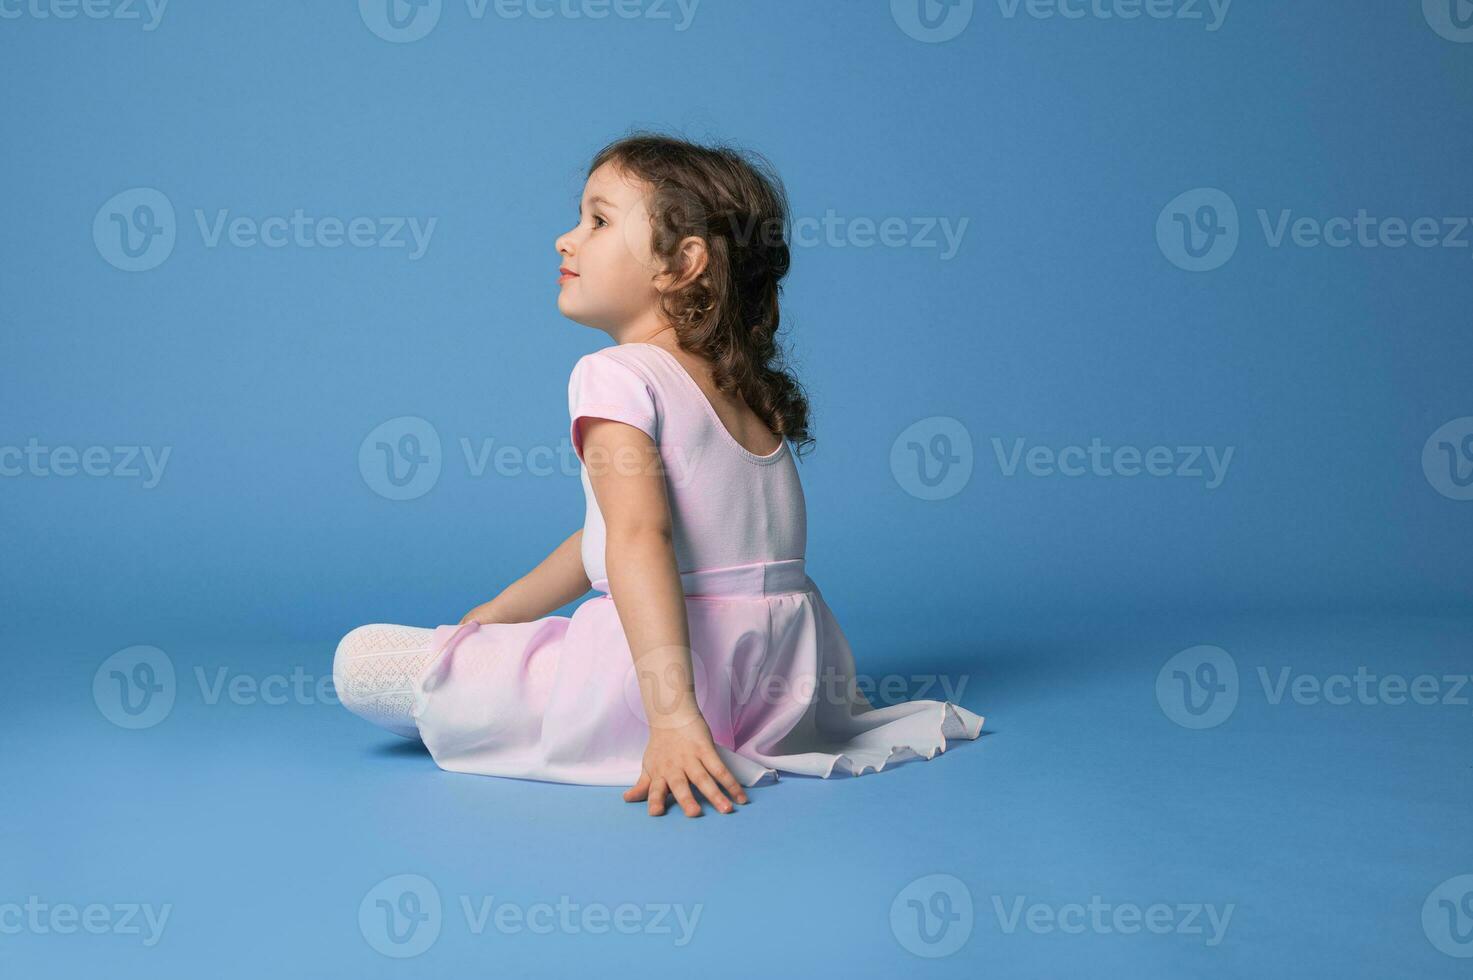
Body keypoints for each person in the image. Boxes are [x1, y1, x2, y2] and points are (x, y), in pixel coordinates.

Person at [334, 132, 984, 817]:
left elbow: (640, 540)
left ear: (682, 264)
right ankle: (499, 678)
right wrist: (500, 614)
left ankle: (545, 707)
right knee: (488, 650)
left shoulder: (613, 375)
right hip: (779, 684)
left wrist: (673, 721)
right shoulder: (742, 388)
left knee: (362, 660)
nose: (566, 238)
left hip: (661, 675)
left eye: (598, 219)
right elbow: (610, 539)